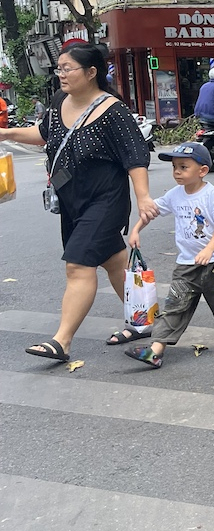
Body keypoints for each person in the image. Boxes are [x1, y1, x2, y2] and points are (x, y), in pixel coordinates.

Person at [0, 42, 157, 362]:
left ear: (91, 72)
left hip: (105, 200)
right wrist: (7, 135)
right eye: (59, 68)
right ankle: (146, 321)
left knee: (78, 265)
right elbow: (44, 133)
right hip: (72, 201)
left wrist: (143, 198)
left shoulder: (113, 110)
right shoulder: (59, 102)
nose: (61, 74)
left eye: (67, 68)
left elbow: (135, 157)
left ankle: (62, 341)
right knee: (113, 261)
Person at [121, 141, 214, 368]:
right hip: (186, 264)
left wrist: (209, 249)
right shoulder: (175, 195)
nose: (177, 172)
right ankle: (156, 350)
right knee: (175, 305)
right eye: (175, 168)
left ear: (202, 171)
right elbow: (152, 210)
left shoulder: (212, 195)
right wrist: (136, 230)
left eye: (183, 167)